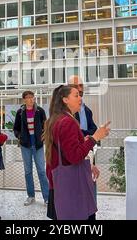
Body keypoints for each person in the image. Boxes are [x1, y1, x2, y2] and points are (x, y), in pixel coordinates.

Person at [44, 85, 110, 220]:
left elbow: (65, 152)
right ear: (65, 100)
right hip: (72, 189)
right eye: (76, 95)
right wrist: (94, 137)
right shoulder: (68, 122)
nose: (80, 98)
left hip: (59, 184)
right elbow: (74, 156)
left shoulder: (56, 119)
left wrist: (87, 160)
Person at [68, 75, 100, 205]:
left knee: (91, 186)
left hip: (89, 151)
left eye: (81, 85)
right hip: (76, 156)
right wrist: (87, 136)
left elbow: (93, 129)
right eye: (76, 86)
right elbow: (73, 133)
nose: (79, 88)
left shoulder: (87, 110)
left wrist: (89, 136)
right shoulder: (67, 112)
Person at [13, 90, 49, 206]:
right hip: (26, 146)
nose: (30, 99)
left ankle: (47, 198)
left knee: (42, 172)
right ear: (24, 99)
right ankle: (31, 196)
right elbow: (16, 128)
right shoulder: (20, 112)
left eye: (32, 97)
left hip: (38, 145)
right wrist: (20, 136)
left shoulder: (40, 111)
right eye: (28, 97)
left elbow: (46, 126)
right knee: (28, 172)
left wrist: (44, 135)